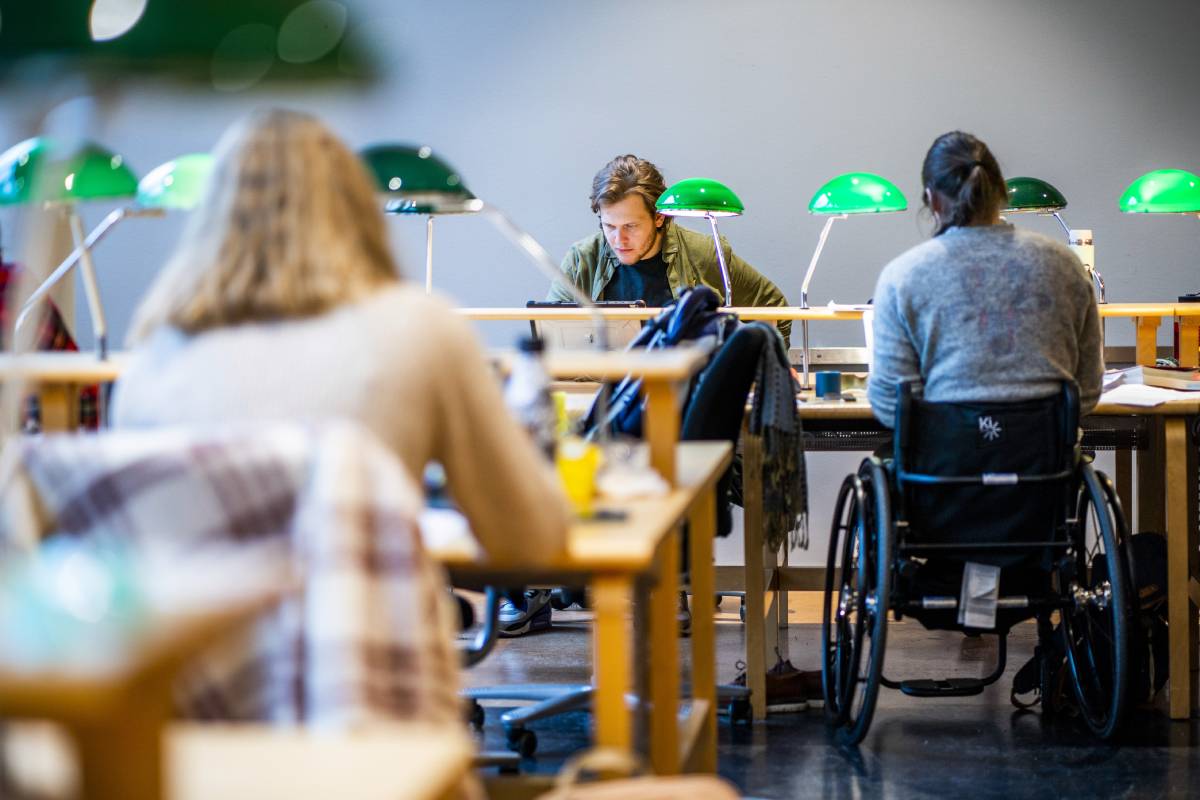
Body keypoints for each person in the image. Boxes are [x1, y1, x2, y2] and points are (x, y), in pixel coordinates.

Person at [113, 109, 570, 569]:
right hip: (360, 611)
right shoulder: (421, 327)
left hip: (209, 615)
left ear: (211, 220)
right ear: (355, 208)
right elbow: (529, 539)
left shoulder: (152, 361)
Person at [867, 131, 1103, 427]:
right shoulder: (1065, 265)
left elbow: (891, 405)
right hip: (1045, 453)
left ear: (932, 200)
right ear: (1002, 192)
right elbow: (1087, 393)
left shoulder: (902, 276)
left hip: (943, 454)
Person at [551, 154, 791, 346]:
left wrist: (761, 369)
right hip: (604, 389)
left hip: (686, 387)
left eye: (631, 226)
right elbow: (549, 334)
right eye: (609, 226)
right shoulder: (581, 260)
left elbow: (774, 308)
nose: (618, 239)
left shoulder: (705, 254)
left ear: (659, 217)